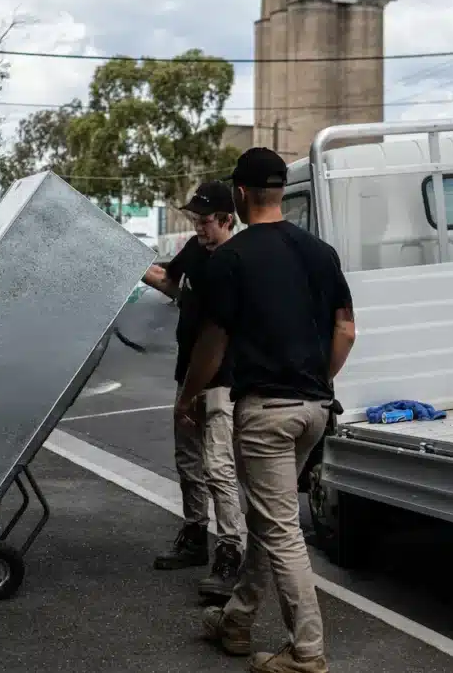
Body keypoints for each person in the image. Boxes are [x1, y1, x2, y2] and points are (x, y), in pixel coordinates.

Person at [175, 148, 357, 673]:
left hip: (265, 414)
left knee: (280, 529)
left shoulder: (232, 260)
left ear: (240, 194)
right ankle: (236, 620)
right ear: (278, 191)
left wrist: (189, 394)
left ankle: (307, 651)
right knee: (267, 516)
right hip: (315, 408)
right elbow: (346, 329)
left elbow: (213, 340)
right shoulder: (322, 253)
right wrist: (320, 381)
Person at [140, 180, 245, 599]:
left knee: (219, 466)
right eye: (195, 220)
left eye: (204, 222)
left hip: (222, 380)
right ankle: (194, 535)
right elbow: (170, 282)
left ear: (227, 219)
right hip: (188, 374)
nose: (198, 228)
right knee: (189, 461)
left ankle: (230, 551)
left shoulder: (239, 260)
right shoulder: (195, 252)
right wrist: (125, 265)